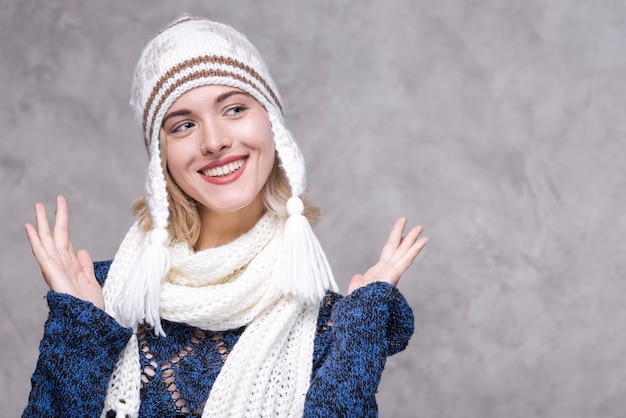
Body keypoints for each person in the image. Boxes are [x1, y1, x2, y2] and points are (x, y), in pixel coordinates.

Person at [22, 15, 429, 418]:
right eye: (183, 125)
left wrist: (360, 335)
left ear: (273, 127)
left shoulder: (331, 327)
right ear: (160, 160)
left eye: (234, 108)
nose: (214, 141)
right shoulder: (105, 301)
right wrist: (79, 333)